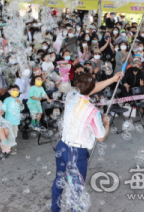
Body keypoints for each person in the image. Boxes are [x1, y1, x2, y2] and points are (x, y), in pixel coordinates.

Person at [51, 72, 122, 212]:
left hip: (62, 146)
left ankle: (55, 209)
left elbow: (89, 89)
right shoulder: (92, 111)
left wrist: (112, 79)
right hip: (77, 153)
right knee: (76, 189)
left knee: (59, 180)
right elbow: (101, 137)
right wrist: (106, 123)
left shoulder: (71, 95)